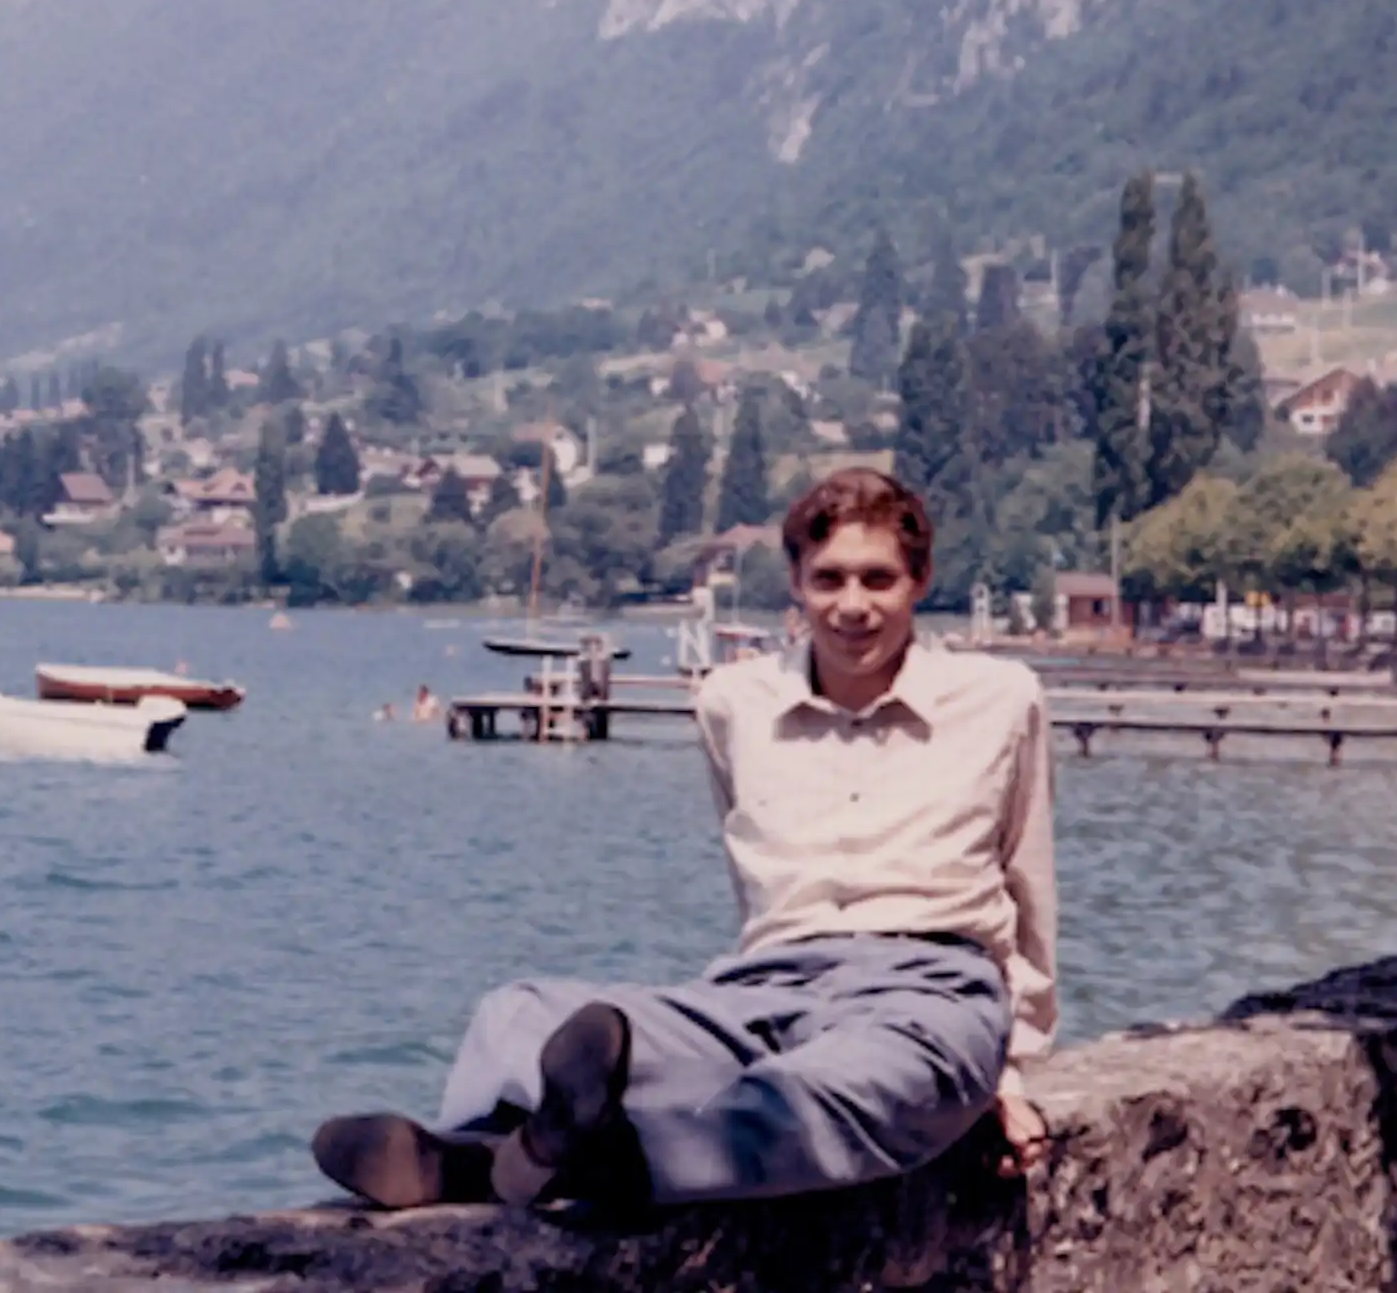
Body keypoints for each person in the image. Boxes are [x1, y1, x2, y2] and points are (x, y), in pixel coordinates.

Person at [312, 467, 1055, 1209]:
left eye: (878, 579)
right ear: (796, 583)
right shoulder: (734, 703)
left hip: (928, 993)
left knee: (839, 1085)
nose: (852, 605)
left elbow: (1029, 891)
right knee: (521, 1011)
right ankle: (487, 1148)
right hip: (763, 987)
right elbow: (755, 886)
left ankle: (585, 1163)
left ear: (920, 581)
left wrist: (1009, 1071)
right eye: (829, 579)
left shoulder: (998, 698)